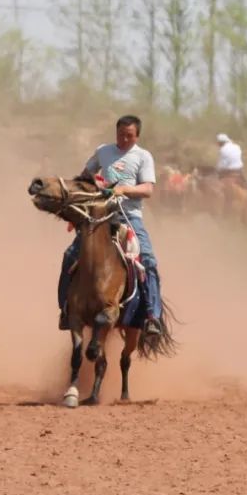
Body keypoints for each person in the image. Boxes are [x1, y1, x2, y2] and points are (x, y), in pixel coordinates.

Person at [58, 114, 163, 336]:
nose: (124, 139)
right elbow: (85, 177)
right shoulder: (103, 151)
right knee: (70, 255)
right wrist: (93, 184)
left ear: (137, 136)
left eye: (129, 136)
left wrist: (123, 189)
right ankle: (66, 309)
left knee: (148, 260)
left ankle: (152, 316)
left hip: (129, 216)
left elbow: (147, 189)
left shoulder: (143, 156)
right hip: (100, 215)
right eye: (120, 134)